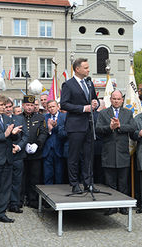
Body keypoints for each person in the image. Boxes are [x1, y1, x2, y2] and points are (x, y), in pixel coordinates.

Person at [60, 58, 99, 194]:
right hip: (75, 125)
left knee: (89, 156)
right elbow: (64, 104)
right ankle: (74, 183)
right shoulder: (68, 85)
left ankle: (89, 183)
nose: (88, 70)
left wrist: (95, 105)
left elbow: (95, 100)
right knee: (74, 156)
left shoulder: (89, 83)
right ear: (77, 69)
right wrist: (84, 108)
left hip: (89, 124)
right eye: (86, 68)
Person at [96, 90, 136, 215]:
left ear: (122, 100)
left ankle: (123, 206)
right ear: (110, 99)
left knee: (123, 182)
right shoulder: (103, 113)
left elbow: (133, 127)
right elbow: (98, 129)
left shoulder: (128, 113)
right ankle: (112, 206)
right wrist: (110, 128)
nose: (116, 101)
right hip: (108, 153)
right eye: (114, 98)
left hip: (122, 153)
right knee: (110, 182)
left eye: (118, 99)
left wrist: (119, 126)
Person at [0, 95, 22, 223]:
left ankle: (1, 213)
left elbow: (11, 138)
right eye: (1, 105)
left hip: (7, 158)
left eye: (4, 105)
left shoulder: (7, 119)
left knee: (5, 188)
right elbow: (2, 136)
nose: (3, 108)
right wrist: (5, 134)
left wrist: (13, 134)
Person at [21, 95, 48, 208]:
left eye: (32, 105)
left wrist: (37, 144)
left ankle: (32, 200)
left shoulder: (40, 118)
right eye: (27, 105)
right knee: (21, 177)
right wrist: (23, 144)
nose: (29, 107)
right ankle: (20, 199)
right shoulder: (17, 117)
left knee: (35, 177)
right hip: (21, 153)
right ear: (23, 105)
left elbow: (43, 132)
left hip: (36, 154)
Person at [5, 99, 28, 213]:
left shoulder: (19, 118)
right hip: (4, 155)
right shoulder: (0, 119)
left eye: (10, 106)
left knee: (16, 181)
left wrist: (18, 147)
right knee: (4, 181)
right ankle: (3, 204)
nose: (8, 109)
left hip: (17, 155)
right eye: (6, 106)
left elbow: (25, 136)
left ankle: (14, 204)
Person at [42, 100, 66, 185]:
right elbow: (42, 133)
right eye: (50, 107)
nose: (52, 109)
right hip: (47, 151)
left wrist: (54, 128)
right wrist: (48, 130)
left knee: (59, 176)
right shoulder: (44, 117)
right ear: (47, 108)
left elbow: (65, 133)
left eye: (53, 106)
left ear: (58, 107)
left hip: (60, 150)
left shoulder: (64, 117)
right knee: (47, 175)